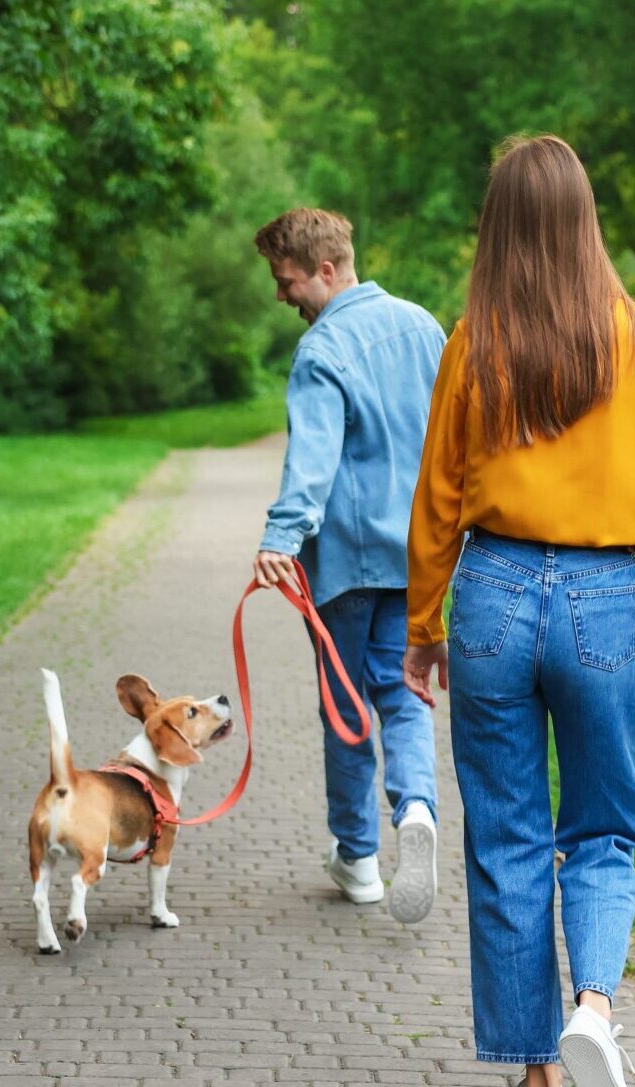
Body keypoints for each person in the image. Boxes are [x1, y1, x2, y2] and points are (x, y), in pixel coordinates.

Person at [402, 136, 635, 1087]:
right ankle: (596, 1010)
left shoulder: (472, 341)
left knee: (508, 840)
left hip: (488, 592)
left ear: (497, 228)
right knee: (604, 826)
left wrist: (419, 626)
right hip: (603, 597)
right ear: (586, 219)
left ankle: (537, 1086)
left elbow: (438, 494)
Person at [251, 207, 444, 924]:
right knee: (405, 693)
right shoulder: (424, 327)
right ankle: (417, 807)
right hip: (418, 557)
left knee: (344, 705)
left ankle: (358, 858)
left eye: (287, 280)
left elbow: (313, 458)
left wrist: (279, 537)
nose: (281, 296)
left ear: (325, 271)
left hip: (344, 564)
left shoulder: (322, 350)